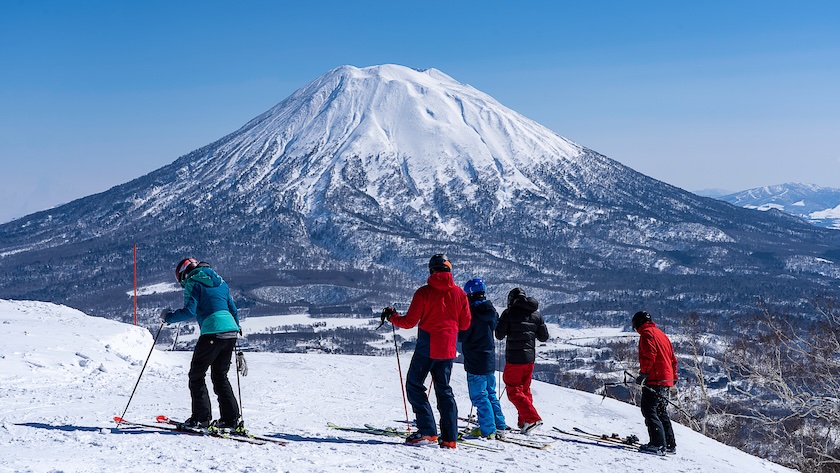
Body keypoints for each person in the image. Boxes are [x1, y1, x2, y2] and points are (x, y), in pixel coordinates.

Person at [381, 254, 471, 449]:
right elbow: (465, 324)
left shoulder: (424, 293)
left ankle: (428, 431)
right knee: (444, 390)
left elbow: (409, 322)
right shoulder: (460, 294)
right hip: (448, 349)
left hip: (427, 346)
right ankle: (450, 438)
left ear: (431, 270)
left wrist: (392, 317)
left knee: (414, 385)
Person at [161, 258, 242, 431]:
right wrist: (235, 329)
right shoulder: (221, 283)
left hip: (212, 331)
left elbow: (189, 311)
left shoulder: (193, 282)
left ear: (184, 273)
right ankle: (231, 420)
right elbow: (233, 309)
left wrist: (168, 318)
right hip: (231, 332)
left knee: (197, 375)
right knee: (220, 376)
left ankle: (201, 419)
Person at [494, 287, 549, 435]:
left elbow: (499, 335)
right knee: (524, 390)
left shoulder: (509, 313)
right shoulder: (536, 314)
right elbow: (544, 337)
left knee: (513, 390)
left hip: (514, 359)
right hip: (529, 359)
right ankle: (524, 422)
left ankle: (532, 419)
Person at [459, 277, 508, 440]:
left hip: (475, 358)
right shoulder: (490, 310)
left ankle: (488, 429)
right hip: (489, 357)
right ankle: (499, 425)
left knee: (479, 395)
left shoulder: (471, 312)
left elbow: (462, 335)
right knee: (490, 393)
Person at [632, 310, 678, 456]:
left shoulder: (647, 334)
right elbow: (673, 359)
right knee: (661, 411)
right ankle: (669, 444)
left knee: (649, 410)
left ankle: (657, 444)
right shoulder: (661, 334)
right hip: (666, 379)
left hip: (655, 378)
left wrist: (643, 373)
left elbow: (650, 354)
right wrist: (673, 378)